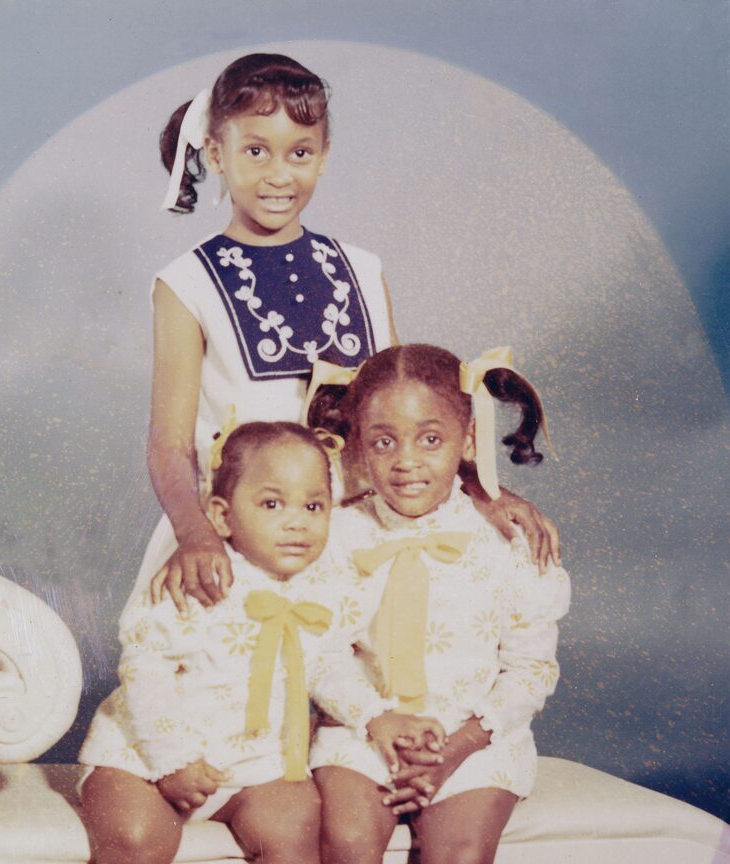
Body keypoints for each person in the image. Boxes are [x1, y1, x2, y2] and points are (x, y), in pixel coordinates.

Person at [78, 422, 441, 864]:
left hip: (251, 763)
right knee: (133, 838)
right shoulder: (198, 574)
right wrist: (171, 762)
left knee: (298, 817)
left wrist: (373, 715)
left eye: (313, 506)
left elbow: (328, 665)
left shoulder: (326, 584)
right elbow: (145, 669)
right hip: (144, 752)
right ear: (221, 514)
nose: (296, 523)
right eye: (271, 504)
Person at [138, 51, 559, 613]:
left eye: (300, 153)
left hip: (363, 532)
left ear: (324, 156)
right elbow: (169, 443)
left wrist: (483, 489)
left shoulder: (361, 268)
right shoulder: (185, 284)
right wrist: (196, 534)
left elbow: (406, 406)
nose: (279, 174)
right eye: (256, 151)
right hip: (245, 537)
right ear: (216, 153)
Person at [307, 344, 571, 864]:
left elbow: (530, 667)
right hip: (371, 724)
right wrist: (375, 717)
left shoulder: (506, 536)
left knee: (459, 863)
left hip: (474, 732)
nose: (405, 460)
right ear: (354, 447)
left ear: (465, 439)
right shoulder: (338, 535)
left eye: (427, 439)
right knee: (346, 837)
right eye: (381, 442)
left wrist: (458, 743)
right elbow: (316, 648)